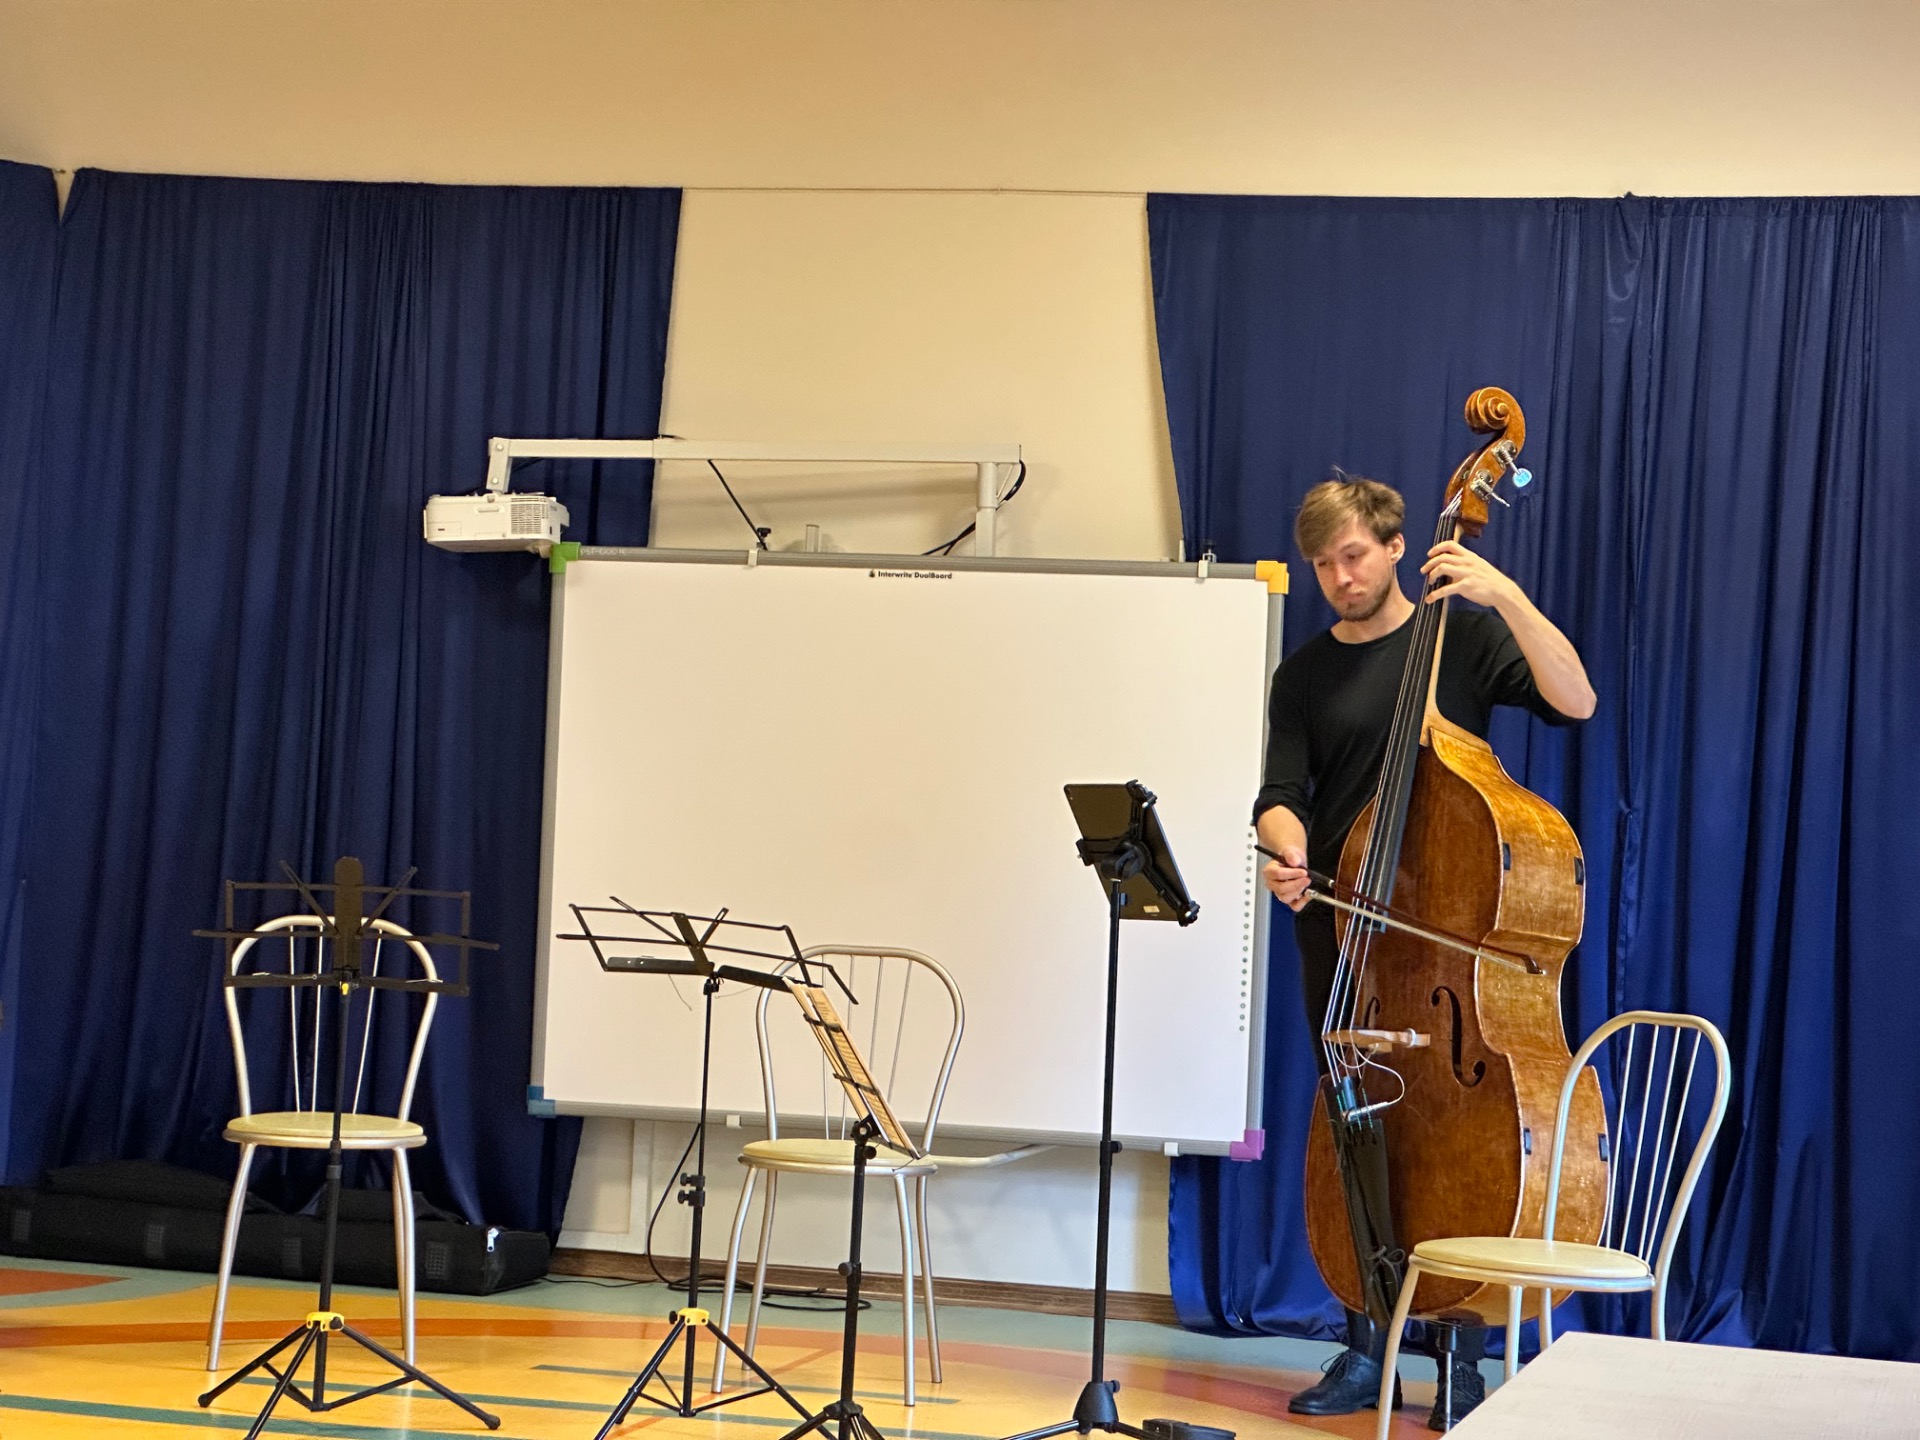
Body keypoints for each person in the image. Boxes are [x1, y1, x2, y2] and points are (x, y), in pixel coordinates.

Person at [1254, 474, 1596, 1429]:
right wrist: (1289, 851)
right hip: (1346, 929)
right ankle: (1366, 1348)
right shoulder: (1304, 675)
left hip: (1453, 935)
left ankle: (1461, 1359)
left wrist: (1506, 595)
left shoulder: (1464, 639)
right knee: (1363, 1135)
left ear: (1398, 545)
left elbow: (1575, 699)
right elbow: (1280, 794)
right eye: (1323, 564)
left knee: (1459, 1138)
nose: (1339, 577)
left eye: (1353, 556)